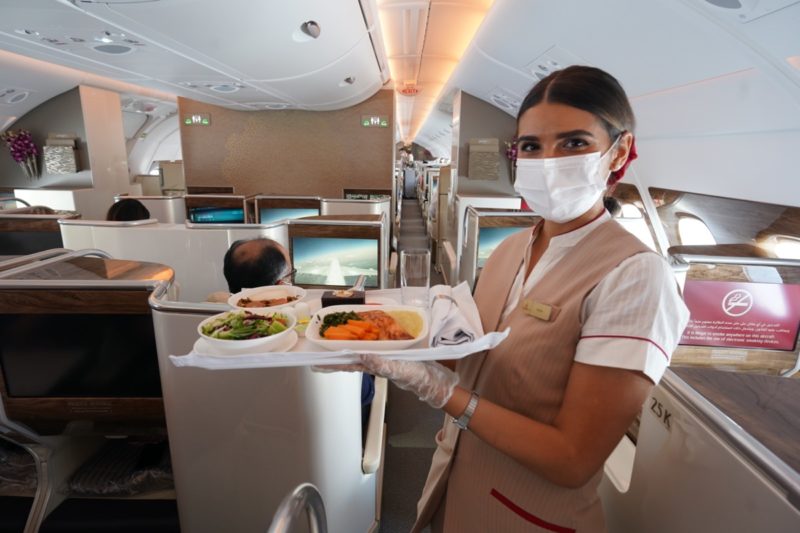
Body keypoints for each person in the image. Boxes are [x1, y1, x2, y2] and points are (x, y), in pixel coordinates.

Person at [333, 66, 690, 532]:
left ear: (619, 151)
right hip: (452, 481)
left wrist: (442, 391)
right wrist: (392, 346)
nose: (549, 160)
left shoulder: (637, 275)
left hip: (530, 516)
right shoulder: (509, 249)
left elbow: (572, 458)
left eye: (574, 143)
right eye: (531, 146)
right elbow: (479, 361)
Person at [209, 238, 376, 421]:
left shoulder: (214, 330)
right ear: (282, 285)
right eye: (291, 273)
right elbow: (364, 393)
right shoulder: (314, 338)